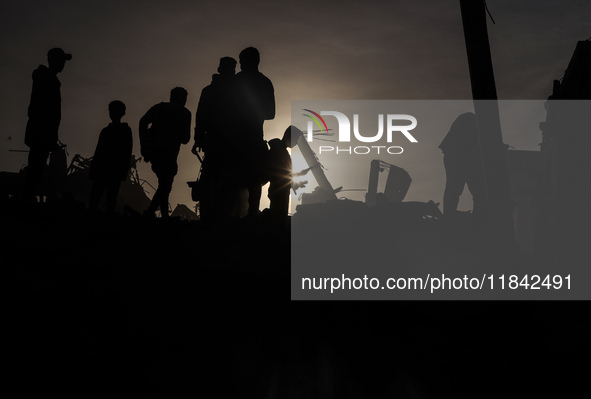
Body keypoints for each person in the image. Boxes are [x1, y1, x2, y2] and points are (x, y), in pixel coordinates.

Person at [192, 57, 238, 221]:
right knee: (223, 179)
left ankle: (211, 215)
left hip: (216, 142)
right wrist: (198, 139)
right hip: (225, 143)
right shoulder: (237, 91)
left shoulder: (210, 91)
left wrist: (198, 139)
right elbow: (201, 116)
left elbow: (201, 116)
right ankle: (219, 216)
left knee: (214, 179)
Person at [23, 47, 72, 201]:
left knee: (37, 166)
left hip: (41, 132)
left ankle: (27, 196)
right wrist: (50, 136)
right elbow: (45, 111)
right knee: (36, 167)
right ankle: (27, 197)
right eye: (62, 60)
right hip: (42, 133)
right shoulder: (48, 80)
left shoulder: (46, 78)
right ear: (54, 61)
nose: (63, 64)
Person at [234, 47, 275, 218]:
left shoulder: (236, 81)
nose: (241, 65)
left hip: (240, 139)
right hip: (248, 138)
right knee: (253, 181)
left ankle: (245, 217)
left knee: (245, 180)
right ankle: (249, 216)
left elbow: (270, 113)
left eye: (242, 62)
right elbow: (270, 113)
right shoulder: (264, 82)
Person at [139, 87, 191, 218]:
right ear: (182, 99)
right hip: (169, 153)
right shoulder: (185, 113)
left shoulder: (159, 107)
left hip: (155, 152)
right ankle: (151, 212)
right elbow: (185, 139)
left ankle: (162, 214)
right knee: (166, 184)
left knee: (164, 183)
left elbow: (143, 122)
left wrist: (144, 143)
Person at [88, 100, 133, 214]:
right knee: (96, 197)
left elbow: (127, 153)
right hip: (102, 170)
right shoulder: (106, 131)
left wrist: (123, 173)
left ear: (122, 113)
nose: (112, 113)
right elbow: (98, 152)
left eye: (114, 110)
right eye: (110, 110)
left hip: (114, 171)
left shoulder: (125, 131)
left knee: (110, 199)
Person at [439, 112, 485, 218]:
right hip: (459, 157)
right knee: (456, 187)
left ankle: (451, 214)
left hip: (460, 156)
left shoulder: (471, 120)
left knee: (475, 189)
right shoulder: (470, 120)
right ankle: (450, 215)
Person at [264, 126, 308, 219]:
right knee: (278, 219)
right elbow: (281, 176)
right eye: (296, 139)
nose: (296, 143)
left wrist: (299, 176)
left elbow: (284, 175)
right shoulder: (280, 152)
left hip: (279, 191)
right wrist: (296, 183)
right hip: (279, 193)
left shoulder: (280, 151)